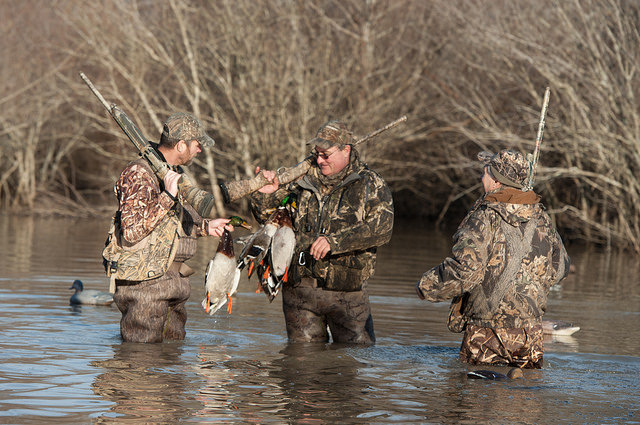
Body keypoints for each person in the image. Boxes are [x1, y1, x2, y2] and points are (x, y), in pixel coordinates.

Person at [415, 149, 570, 368]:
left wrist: (426, 285)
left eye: (485, 173)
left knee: (478, 396)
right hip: (531, 335)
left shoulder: (483, 218)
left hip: (487, 333)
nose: (481, 178)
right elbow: (561, 268)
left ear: (496, 181)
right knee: (525, 396)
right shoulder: (542, 217)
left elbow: (466, 273)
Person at [251, 120, 394, 344]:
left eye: (325, 155)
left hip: (348, 294)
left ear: (346, 150)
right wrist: (264, 194)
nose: (319, 160)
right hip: (300, 292)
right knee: (300, 369)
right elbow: (266, 218)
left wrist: (334, 241)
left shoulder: (370, 184)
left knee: (351, 365)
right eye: (316, 154)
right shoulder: (299, 179)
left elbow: (382, 229)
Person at [108, 112, 233, 343]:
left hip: (174, 284)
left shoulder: (174, 175)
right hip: (145, 288)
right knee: (140, 364)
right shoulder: (138, 173)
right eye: (197, 145)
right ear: (181, 145)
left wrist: (206, 228)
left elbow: (168, 228)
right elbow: (132, 230)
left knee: (173, 365)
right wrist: (167, 196)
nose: (200, 150)